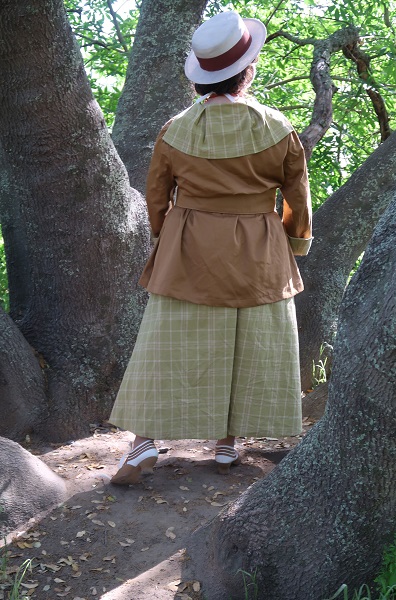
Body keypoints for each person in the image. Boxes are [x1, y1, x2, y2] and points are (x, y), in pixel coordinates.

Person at [109, 10, 312, 485]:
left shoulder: (175, 129)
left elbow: (156, 197)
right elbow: (298, 197)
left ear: (202, 79)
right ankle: (227, 446)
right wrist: (296, 242)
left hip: (190, 246)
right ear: (247, 71)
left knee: (169, 343)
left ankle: (142, 443)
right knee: (248, 342)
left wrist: (167, 238)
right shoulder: (278, 128)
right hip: (259, 252)